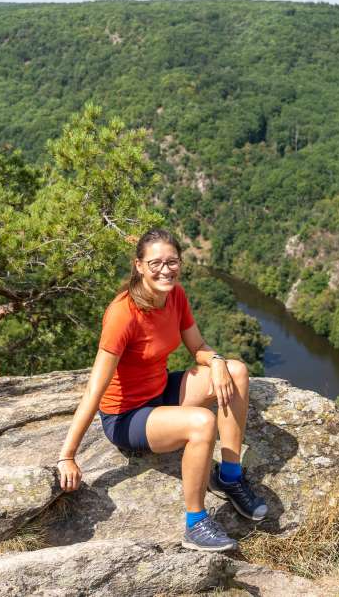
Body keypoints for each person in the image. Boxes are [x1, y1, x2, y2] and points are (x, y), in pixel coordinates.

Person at [56, 228, 267, 552]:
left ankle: (228, 475)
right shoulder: (122, 315)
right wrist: (67, 456)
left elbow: (197, 346)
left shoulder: (175, 296)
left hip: (160, 390)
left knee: (236, 371)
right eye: (156, 263)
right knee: (202, 423)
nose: (165, 269)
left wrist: (218, 361)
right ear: (139, 265)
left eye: (172, 261)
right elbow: (93, 392)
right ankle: (195, 524)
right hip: (127, 416)